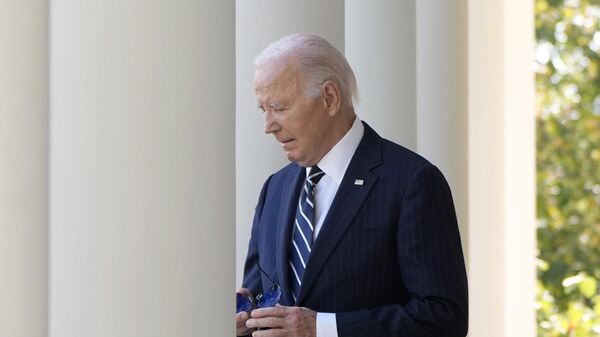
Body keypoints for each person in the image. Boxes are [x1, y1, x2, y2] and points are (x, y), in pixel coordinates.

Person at [236, 33, 468, 337]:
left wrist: (322, 328)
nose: (269, 126)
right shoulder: (274, 190)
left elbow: (443, 317)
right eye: (262, 110)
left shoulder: (413, 182)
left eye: (279, 107)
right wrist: (243, 321)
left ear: (329, 98)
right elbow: (260, 304)